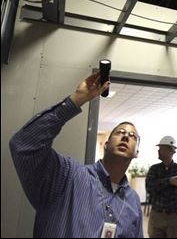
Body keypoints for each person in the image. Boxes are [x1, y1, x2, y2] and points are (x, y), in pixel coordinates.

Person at [9, 72, 144, 238]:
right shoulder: (68, 176)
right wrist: (76, 100)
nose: (125, 136)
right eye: (120, 132)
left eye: (132, 136)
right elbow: (24, 144)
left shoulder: (133, 201)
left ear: (136, 152)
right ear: (106, 145)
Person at [146, 136, 177, 238]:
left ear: (171, 151)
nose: (158, 151)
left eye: (161, 148)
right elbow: (150, 188)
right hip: (156, 216)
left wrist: (159, 187)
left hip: (174, 216)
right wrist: (168, 182)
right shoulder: (154, 169)